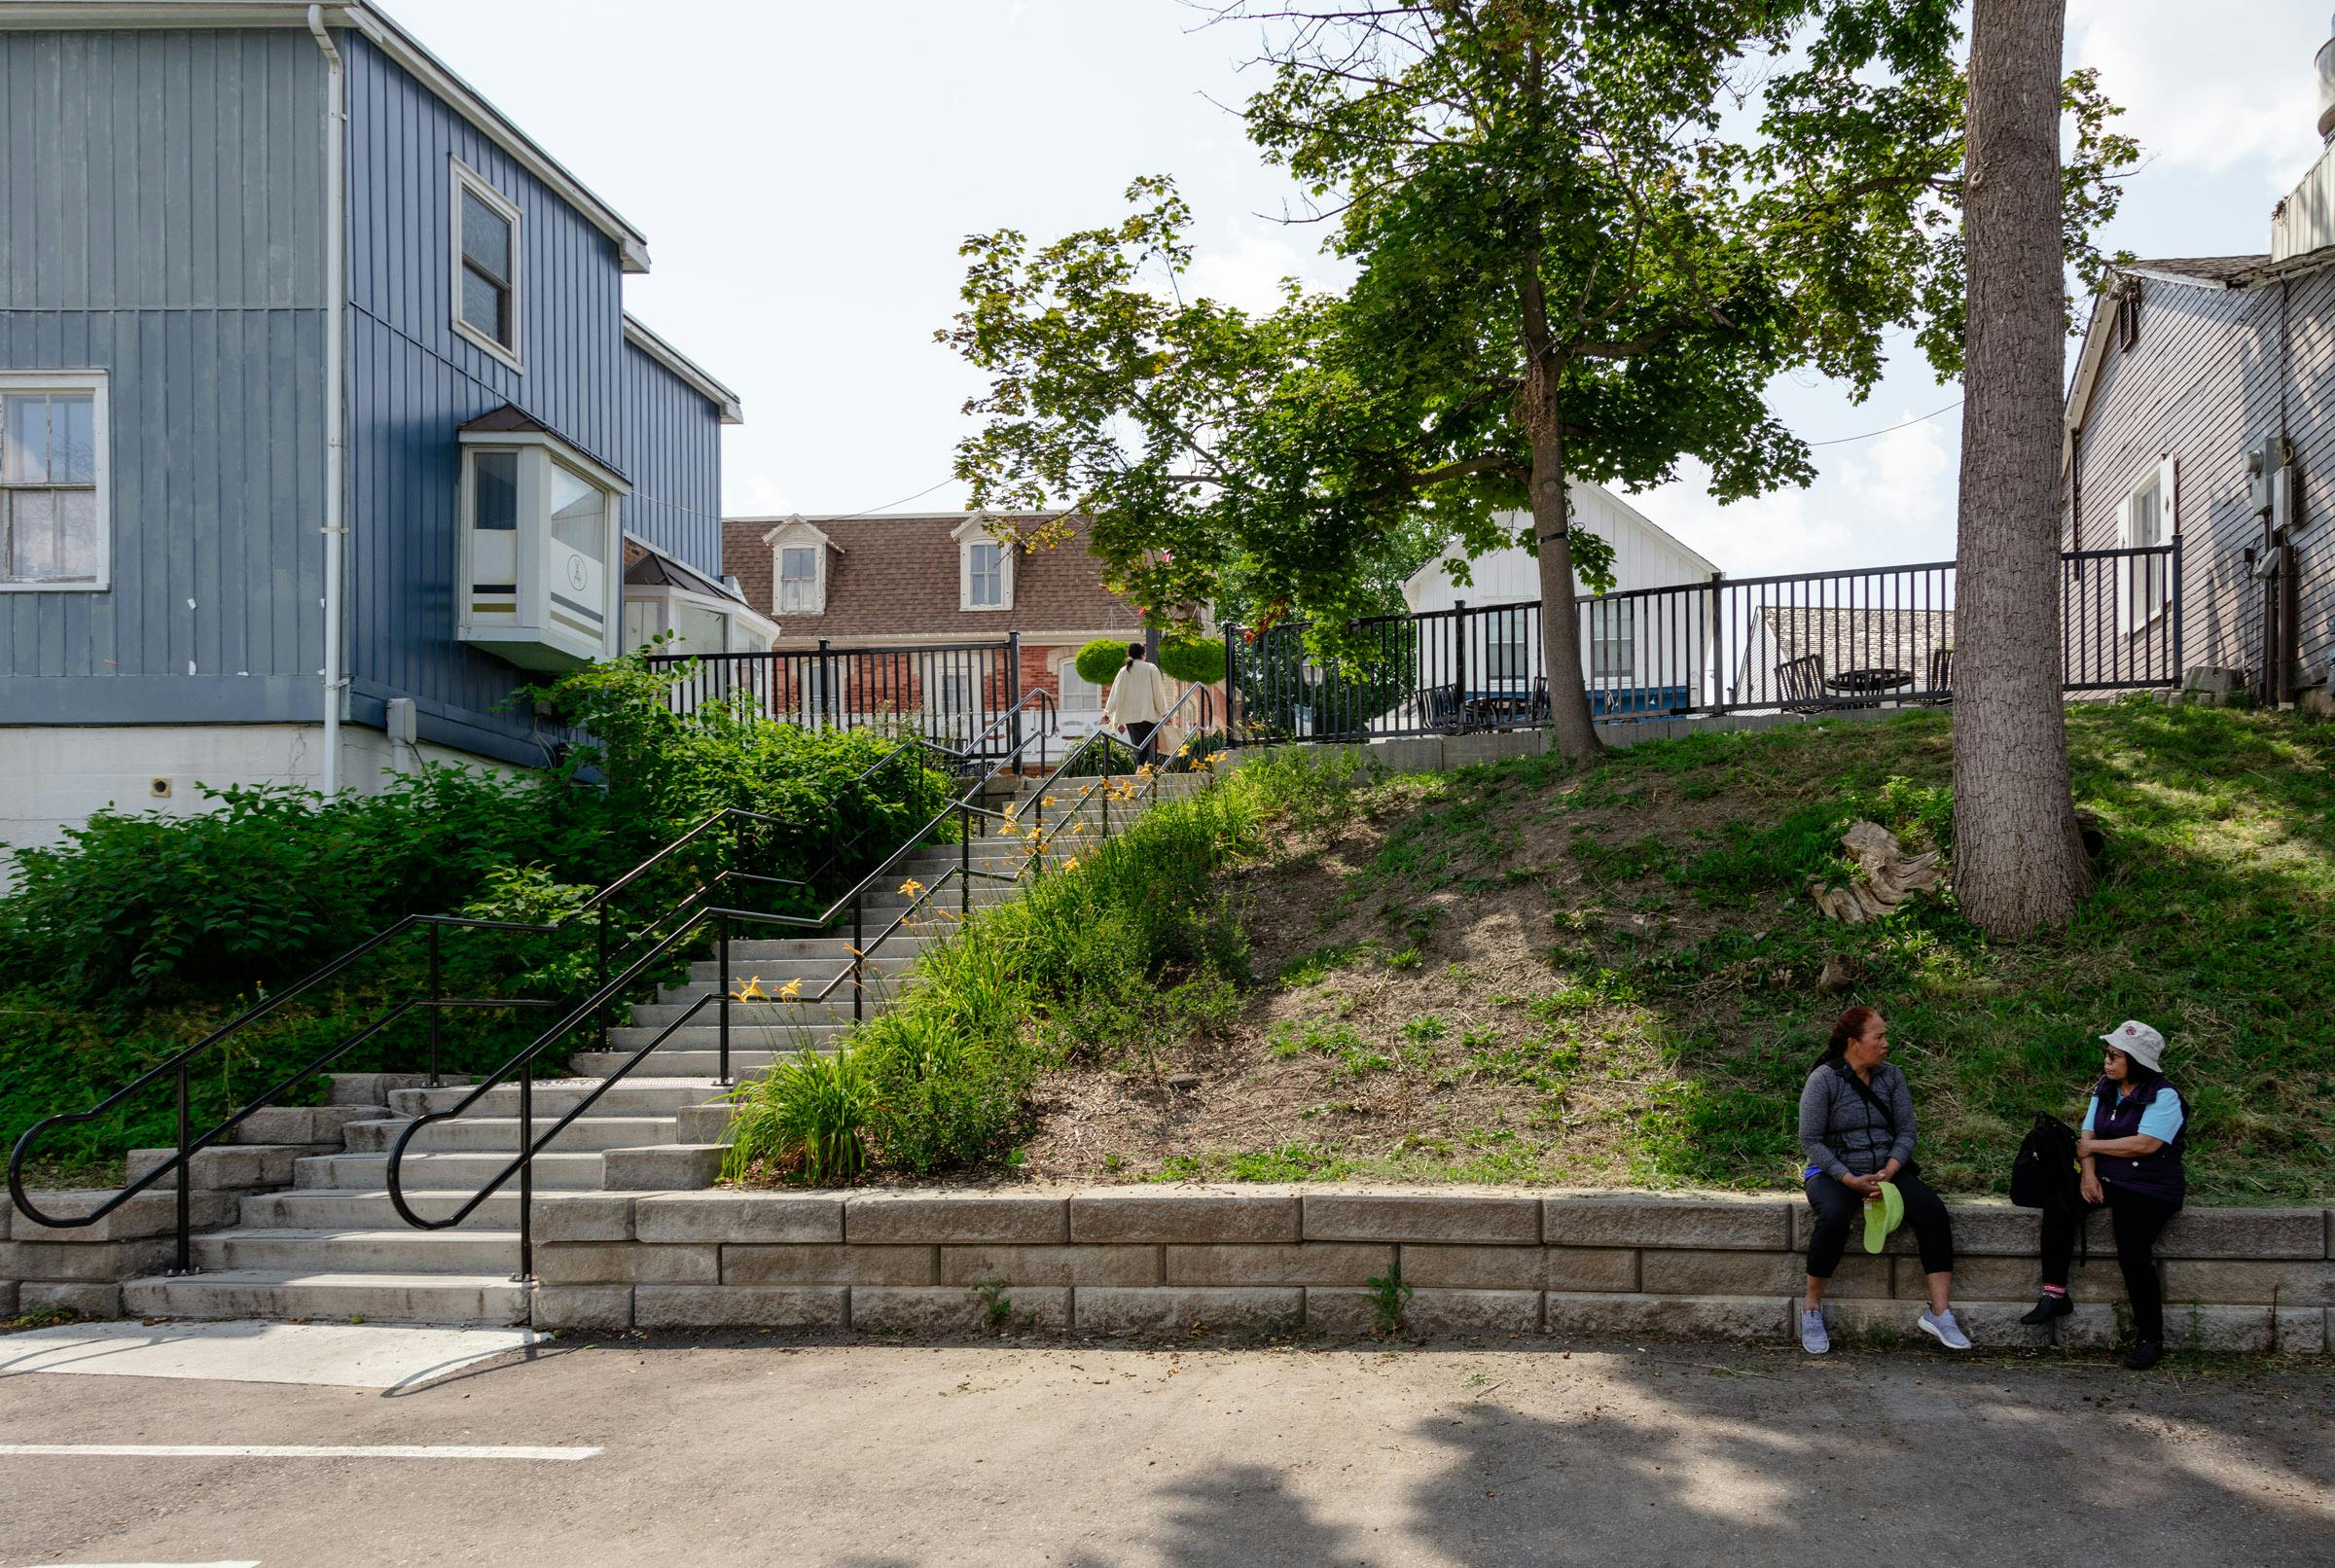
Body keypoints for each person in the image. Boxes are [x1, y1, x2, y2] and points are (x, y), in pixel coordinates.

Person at [1796, 1005, 1969, 1354]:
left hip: (1886, 1170)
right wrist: (1849, 1179)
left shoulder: (1892, 1076)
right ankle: (1811, 1307)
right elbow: (1810, 1140)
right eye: (1879, 1036)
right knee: (1833, 1218)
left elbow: (1907, 1132)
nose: (1887, 1043)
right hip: (1834, 1172)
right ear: (1853, 1043)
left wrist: (1889, 1170)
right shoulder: (1824, 1080)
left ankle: (1940, 1312)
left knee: (1932, 1211)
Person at [2022, 1020, 2186, 1371]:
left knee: (2133, 1251)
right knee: (2060, 1205)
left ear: (2137, 1061)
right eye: (2107, 1054)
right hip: (2107, 1176)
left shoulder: (2164, 1095)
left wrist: (2092, 1148)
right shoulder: (2106, 1088)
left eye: (2115, 1056)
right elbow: (2087, 1133)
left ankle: (2150, 1337)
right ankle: (2055, 1294)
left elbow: (2146, 1144)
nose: (2107, 1062)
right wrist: (2089, 1177)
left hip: (2150, 1185)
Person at [1101, 641, 1172, 766]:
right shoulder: (1150, 668)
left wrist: (1107, 713)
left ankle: (1140, 766)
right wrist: (1164, 713)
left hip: (1129, 716)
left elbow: (1114, 694)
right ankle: (1144, 767)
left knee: (1138, 743)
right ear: (1143, 654)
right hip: (1148, 714)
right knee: (1149, 743)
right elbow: (1158, 693)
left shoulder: (1123, 671)